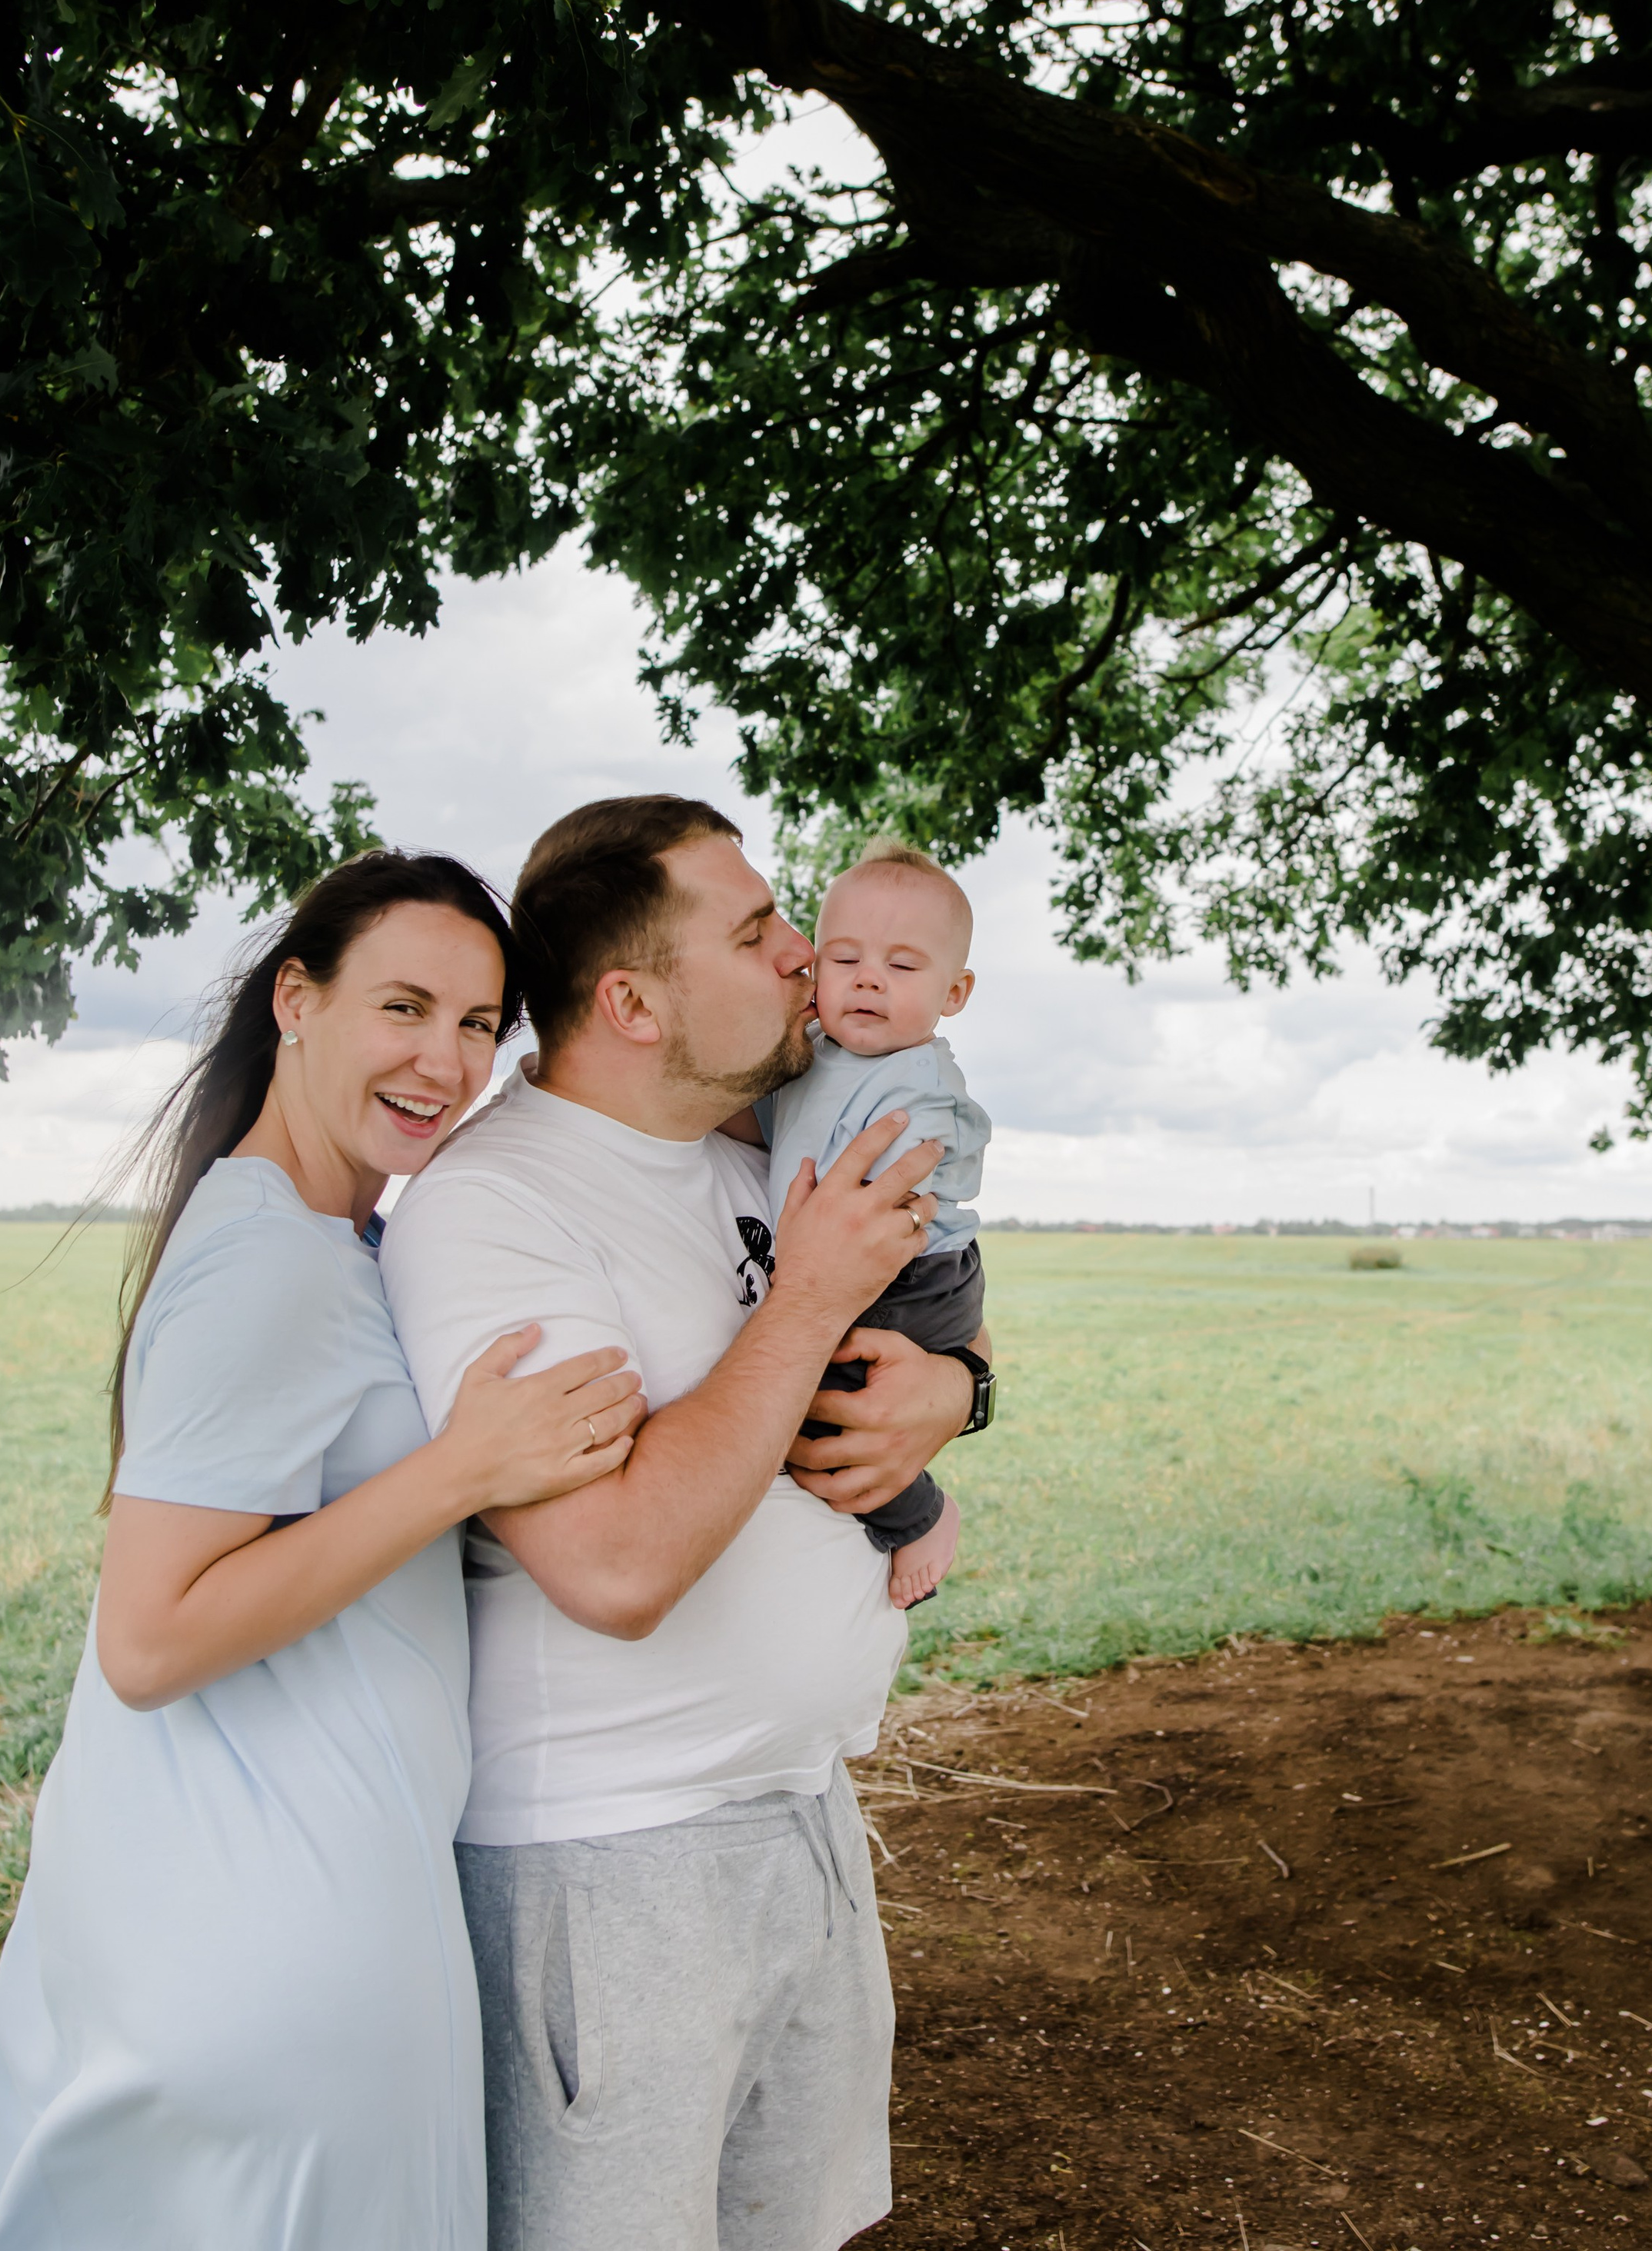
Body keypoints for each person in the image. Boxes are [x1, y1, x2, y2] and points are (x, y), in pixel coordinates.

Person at [0, 849, 644, 2251]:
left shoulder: (325, 1239)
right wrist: (461, 1470)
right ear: (296, 997)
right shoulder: (268, 1255)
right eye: (404, 1007)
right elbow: (150, 1640)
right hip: (273, 1927)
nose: (444, 1061)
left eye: (476, 1026)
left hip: (252, 1896)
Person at [378, 794, 990, 2251]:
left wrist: (958, 1392)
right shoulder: (495, 1210)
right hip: (613, 1867)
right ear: (633, 1001)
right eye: (762, 928)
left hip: (805, 1815)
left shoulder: (746, 1154)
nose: (805, 956)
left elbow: (895, 1347)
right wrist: (808, 1303)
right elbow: (613, 1564)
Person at [762, 836, 993, 1610]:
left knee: (828, 1410)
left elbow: (883, 1196)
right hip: (868, 1260)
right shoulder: (818, 1051)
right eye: (843, 957)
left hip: (913, 1273)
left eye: (901, 965)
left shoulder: (919, 1083)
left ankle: (918, 1516)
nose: (867, 978)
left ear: (952, 992)